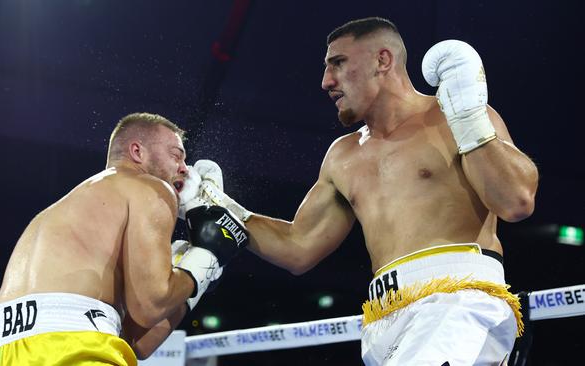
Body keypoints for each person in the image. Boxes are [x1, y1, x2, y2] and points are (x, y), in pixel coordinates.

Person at [182, 17, 539, 365]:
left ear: (382, 60)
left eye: (338, 63)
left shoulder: (452, 115)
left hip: (458, 303)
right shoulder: (343, 155)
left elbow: (516, 200)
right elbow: (297, 247)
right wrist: (212, 203)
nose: (326, 81)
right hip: (384, 321)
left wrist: (468, 119)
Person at [0, 113, 248, 365]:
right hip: (67, 346)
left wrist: (194, 271)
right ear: (137, 151)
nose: (184, 169)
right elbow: (150, 305)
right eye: (176, 156)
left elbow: (136, 342)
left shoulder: (69, 211)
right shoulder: (150, 187)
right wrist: (208, 256)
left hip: (0, 350)